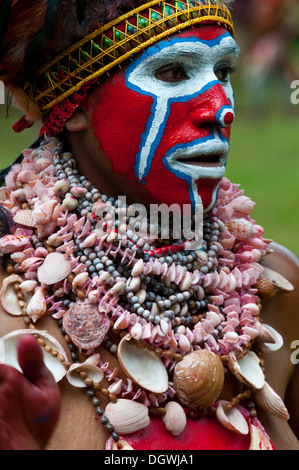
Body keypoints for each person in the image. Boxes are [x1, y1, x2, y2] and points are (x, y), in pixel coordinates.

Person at [0, 0, 299, 451]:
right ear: (72, 106)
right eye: (174, 72)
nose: (221, 108)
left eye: (223, 71)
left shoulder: (274, 293)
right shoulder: (13, 305)